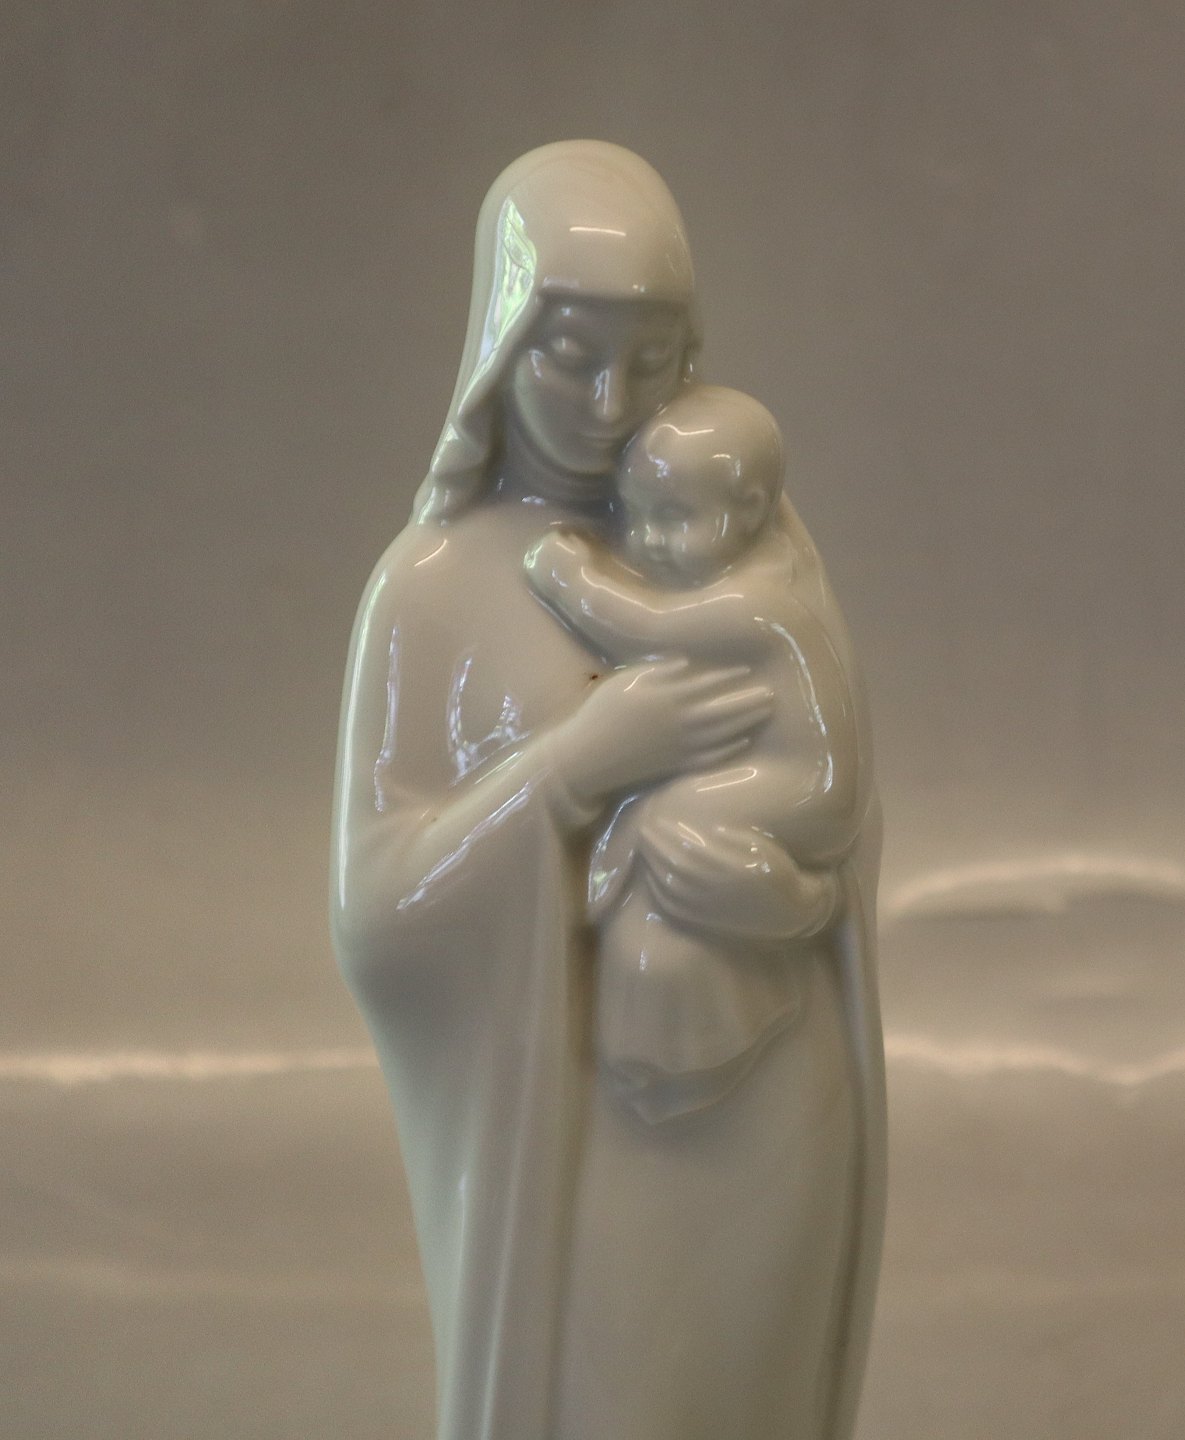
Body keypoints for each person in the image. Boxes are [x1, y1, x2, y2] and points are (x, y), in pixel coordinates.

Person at [331, 141, 884, 1440]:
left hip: (771, 1077)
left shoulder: (749, 531)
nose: (605, 400)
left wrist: (791, 899)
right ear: (500, 343)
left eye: (650, 359)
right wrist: (582, 765)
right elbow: (380, 912)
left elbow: (833, 785)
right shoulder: (431, 589)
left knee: (752, 1380)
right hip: (594, 1124)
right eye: (567, 355)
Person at [524, 383, 856, 1124]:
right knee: (667, 826)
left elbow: (642, 627)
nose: (645, 541)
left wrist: (569, 579)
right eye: (637, 515)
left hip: (807, 789)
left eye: (672, 517)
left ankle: (608, 873)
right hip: (790, 783)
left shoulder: (757, 603)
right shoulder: (759, 578)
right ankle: (614, 878)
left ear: (749, 510)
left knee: (668, 816)